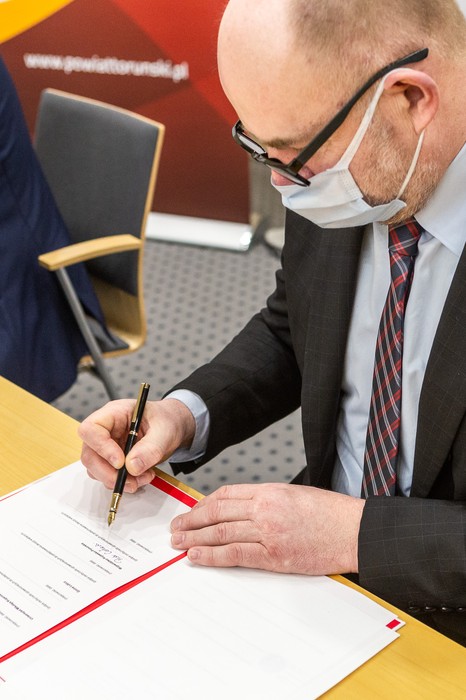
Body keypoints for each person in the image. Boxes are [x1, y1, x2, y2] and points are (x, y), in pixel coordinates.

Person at [80, 0, 466, 645]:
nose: (287, 189)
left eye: (295, 155)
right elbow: (295, 328)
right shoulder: (348, 167)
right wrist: (185, 415)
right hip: (314, 560)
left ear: (409, 98)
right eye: (261, 149)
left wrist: (355, 535)